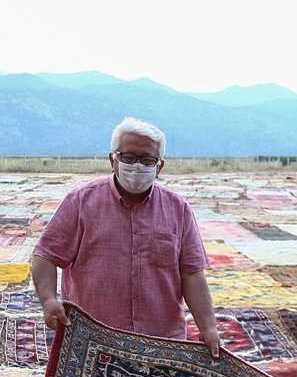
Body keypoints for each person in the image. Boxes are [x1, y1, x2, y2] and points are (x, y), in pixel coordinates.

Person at [31, 116, 221, 357]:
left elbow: (192, 274)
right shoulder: (80, 202)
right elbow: (46, 256)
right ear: (113, 160)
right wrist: (48, 300)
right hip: (93, 340)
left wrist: (208, 327)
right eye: (128, 158)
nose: (137, 166)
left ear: (159, 166)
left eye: (147, 160)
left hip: (161, 342)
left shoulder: (178, 209)